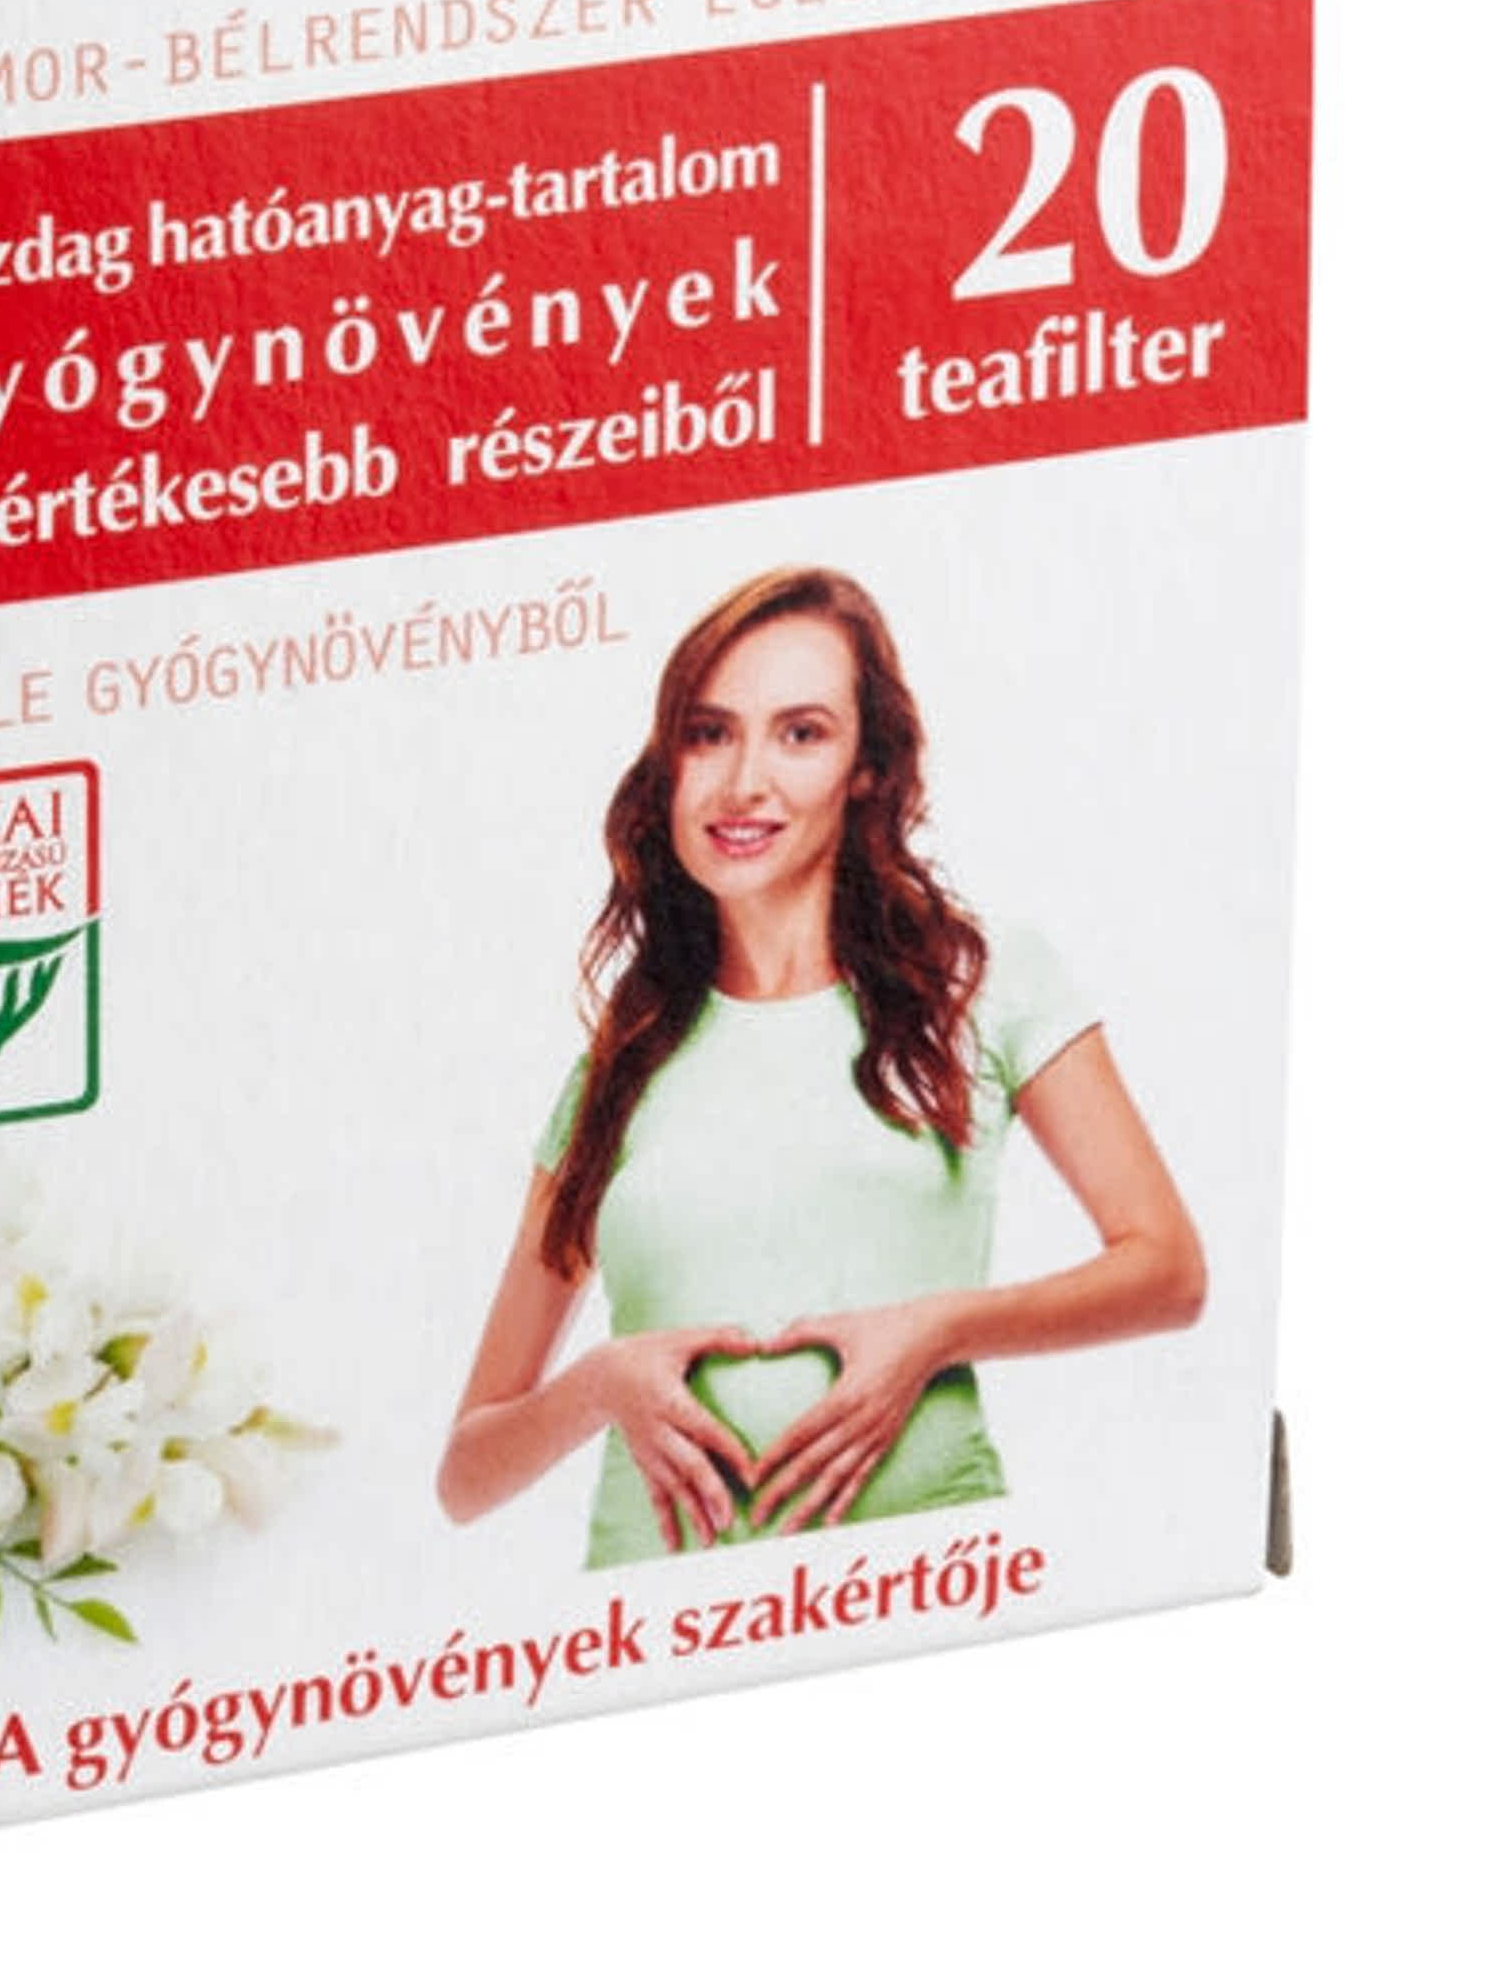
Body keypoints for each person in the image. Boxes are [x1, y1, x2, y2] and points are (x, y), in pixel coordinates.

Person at [438, 565, 1204, 1562]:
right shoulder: (617, 1070)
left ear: (866, 767)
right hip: (656, 1615)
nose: (743, 782)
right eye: (709, 733)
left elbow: (1167, 1270)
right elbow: (466, 1476)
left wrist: (938, 1330)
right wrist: (600, 1384)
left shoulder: (985, 983)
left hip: (922, 1586)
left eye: (801, 733)